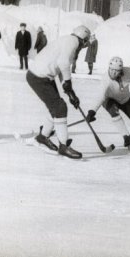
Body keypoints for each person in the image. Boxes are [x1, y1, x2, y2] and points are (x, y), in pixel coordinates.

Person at [26, 25, 91, 159]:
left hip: (41, 75)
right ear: (84, 40)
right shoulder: (74, 42)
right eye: (85, 43)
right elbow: (63, 63)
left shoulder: (68, 40)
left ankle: (42, 137)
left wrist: (70, 92)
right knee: (60, 108)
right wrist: (67, 83)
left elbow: (62, 66)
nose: (84, 46)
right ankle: (63, 146)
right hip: (39, 77)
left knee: (55, 108)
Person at [85, 56, 130, 148]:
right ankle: (126, 136)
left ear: (121, 70)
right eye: (112, 69)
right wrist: (92, 111)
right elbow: (100, 97)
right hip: (109, 99)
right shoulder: (105, 80)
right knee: (114, 112)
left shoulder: (128, 72)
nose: (113, 73)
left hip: (125, 98)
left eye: (117, 71)